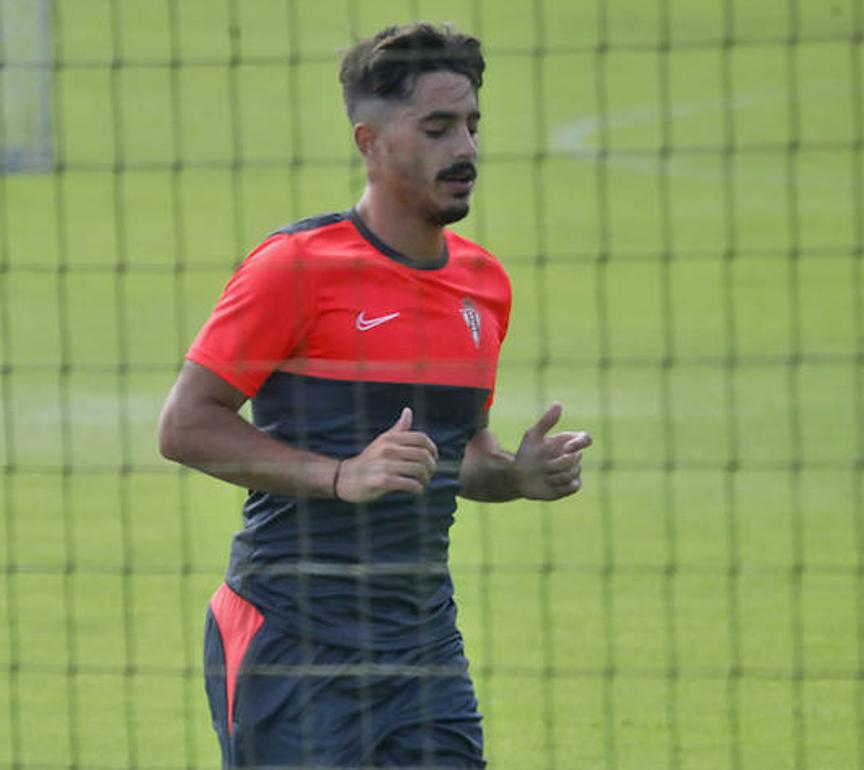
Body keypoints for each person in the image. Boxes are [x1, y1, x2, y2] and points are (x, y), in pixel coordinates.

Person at [158, 22, 592, 769]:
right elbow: (185, 426)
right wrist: (336, 475)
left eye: (471, 125)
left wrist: (514, 476)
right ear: (370, 141)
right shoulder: (295, 268)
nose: (466, 150)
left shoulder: (483, 286)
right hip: (293, 643)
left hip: (423, 649)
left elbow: (458, 456)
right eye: (437, 128)